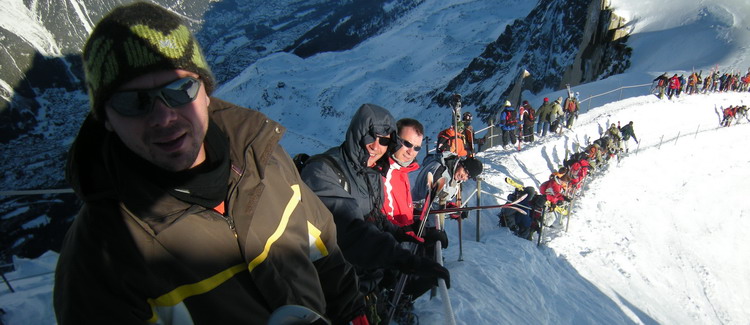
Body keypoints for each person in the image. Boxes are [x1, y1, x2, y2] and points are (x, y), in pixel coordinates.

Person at [54, 3, 366, 325]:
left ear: (205, 91)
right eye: (133, 101)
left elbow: (322, 250)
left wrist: (352, 313)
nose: (164, 117)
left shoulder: (265, 158)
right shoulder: (102, 258)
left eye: (179, 89)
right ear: (105, 118)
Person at [299, 104, 450, 314]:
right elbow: (350, 232)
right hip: (334, 294)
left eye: (385, 140)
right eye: (371, 136)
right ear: (357, 132)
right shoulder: (323, 171)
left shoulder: (370, 173)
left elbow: (376, 218)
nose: (376, 146)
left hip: (367, 283)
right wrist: (405, 260)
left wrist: (411, 231)